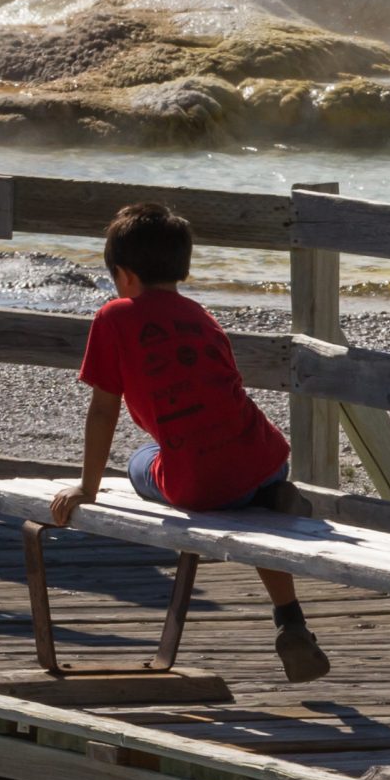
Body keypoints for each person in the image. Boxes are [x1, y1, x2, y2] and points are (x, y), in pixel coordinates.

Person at [51, 203, 331, 683]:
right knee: (253, 501)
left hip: (198, 482)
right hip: (265, 457)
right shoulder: (201, 316)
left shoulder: (114, 316)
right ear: (181, 266)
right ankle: (290, 615)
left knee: (141, 460)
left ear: (122, 274)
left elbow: (103, 409)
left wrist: (87, 488)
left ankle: (256, 499)